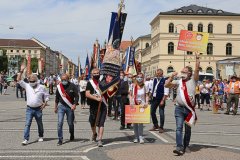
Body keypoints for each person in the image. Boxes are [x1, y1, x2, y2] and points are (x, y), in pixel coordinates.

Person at [165, 53, 200, 155]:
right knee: (179, 128)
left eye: (184, 72)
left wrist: (197, 58)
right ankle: (179, 147)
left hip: (189, 109)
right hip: (179, 108)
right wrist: (171, 76)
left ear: (189, 73)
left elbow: (197, 70)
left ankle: (186, 145)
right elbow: (167, 85)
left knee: (187, 129)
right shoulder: (179, 81)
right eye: (182, 72)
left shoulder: (193, 80)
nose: (182, 73)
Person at [17, 64, 49, 145]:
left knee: (39, 123)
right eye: (30, 81)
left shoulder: (42, 87)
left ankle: (41, 136)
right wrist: (21, 71)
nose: (31, 83)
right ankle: (25, 139)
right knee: (27, 124)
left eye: (33, 81)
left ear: (36, 81)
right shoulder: (27, 85)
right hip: (29, 108)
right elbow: (18, 80)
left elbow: (46, 95)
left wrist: (45, 103)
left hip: (38, 109)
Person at [55, 73, 79, 146]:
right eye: (62, 80)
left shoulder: (73, 86)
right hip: (61, 106)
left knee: (70, 123)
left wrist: (74, 104)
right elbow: (56, 98)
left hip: (70, 106)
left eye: (65, 80)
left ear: (68, 79)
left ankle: (71, 134)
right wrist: (55, 107)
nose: (63, 81)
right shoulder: (59, 87)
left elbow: (77, 96)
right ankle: (60, 139)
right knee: (60, 123)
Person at [85, 68, 107, 147]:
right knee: (92, 122)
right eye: (94, 73)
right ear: (92, 75)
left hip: (103, 105)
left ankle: (99, 139)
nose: (96, 75)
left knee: (101, 123)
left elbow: (108, 92)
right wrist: (96, 98)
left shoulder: (103, 83)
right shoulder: (90, 83)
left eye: (98, 73)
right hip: (93, 105)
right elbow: (87, 94)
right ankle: (94, 133)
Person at [129, 72, 149, 144]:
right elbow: (130, 95)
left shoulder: (145, 86)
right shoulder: (132, 86)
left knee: (140, 122)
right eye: (138, 77)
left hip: (142, 105)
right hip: (134, 104)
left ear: (143, 78)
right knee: (134, 121)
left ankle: (140, 137)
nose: (139, 78)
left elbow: (147, 95)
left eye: (141, 77)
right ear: (136, 78)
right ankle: (136, 137)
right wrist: (131, 102)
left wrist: (146, 102)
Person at [149, 69, 169, 133]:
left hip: (161, 98)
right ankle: (155, 124)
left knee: (161, 113)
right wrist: (150, 96)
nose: (157, 74)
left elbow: (166, 92)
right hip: (154, 98)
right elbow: (152, 89)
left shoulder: (165, 80)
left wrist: (163, 100)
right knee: (152, 111)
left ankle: (161, 127)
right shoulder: (154, 80)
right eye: (156, 73)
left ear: (162, 73)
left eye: (158, 73)